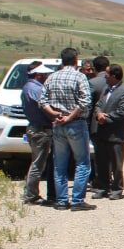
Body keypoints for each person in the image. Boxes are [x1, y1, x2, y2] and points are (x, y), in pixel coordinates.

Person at [42, 47, 96, 211]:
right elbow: (85, 101)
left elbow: (42, 101)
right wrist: (70, 116)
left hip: (58, 124)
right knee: (82, 163)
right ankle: (78, 200)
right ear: (75, 60)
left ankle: (61, 200)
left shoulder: (52, 77)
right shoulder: (79, 76)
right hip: (76, 123)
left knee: (59, 164)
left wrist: (54, 114)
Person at [93, 64, 124, 199]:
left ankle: (116, 189)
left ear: (114, 76)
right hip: (101, 132)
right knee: (101, 162)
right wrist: (99, 114)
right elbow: (98, 104)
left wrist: (106, 118)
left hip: (116, 134)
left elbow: (123, 111)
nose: (105, 76)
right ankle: (102, 187)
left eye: (107, 74)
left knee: (117, 164)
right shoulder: (106, 89)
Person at [20, 63, 56, 205]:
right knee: (38, 164)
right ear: (39, 75)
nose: (47, 77)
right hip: (40, 129)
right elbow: (44, 106)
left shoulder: (28, 87)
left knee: (36, 161)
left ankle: (29, 191)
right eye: (45, 75)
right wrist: (56, 114)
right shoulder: (36, 89)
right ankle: (31, 195)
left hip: (35, 128)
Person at [87, 55, 110, 195]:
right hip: (113, 123)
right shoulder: (116, 82)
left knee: (99, 155)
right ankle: (110, 179)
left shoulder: (93, 83)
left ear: (95, 68)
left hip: (96, 124)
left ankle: (101, 181)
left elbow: (88, 106)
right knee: (111, 153)